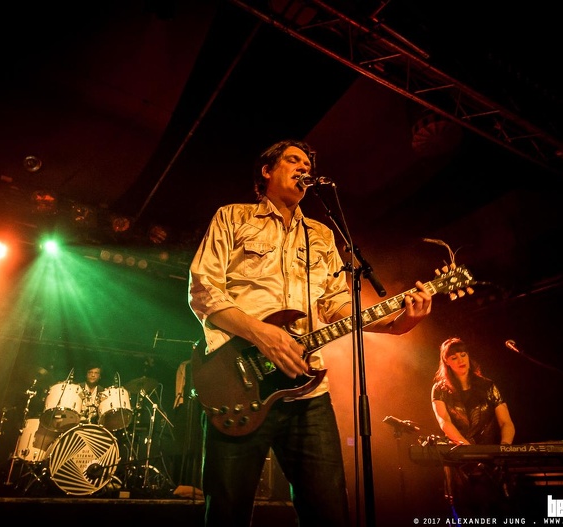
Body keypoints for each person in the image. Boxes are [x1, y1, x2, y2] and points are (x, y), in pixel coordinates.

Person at [188, 139, 433, 526]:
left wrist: (396, 323)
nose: (304, 168)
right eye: (293, 160)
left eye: (308, 165)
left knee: (329, 510)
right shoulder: (232, 217)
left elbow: (337, 305)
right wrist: (262, 334)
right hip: (238, 381)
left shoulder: (321, 234)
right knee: (227, 512)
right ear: (267, 170)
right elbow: (203, 289)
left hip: (308, 391)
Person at [430, 337, 516, 517]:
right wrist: (468, 449)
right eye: (454, 357)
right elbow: (444, 421)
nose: (460, 360)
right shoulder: (440, 389)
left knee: (496, 511)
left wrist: (504, 448)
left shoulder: (488, 386)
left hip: (491, 460)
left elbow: (506, 422)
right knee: (465, 513)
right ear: (446, 361)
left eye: (463, 355)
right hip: (459, 461)